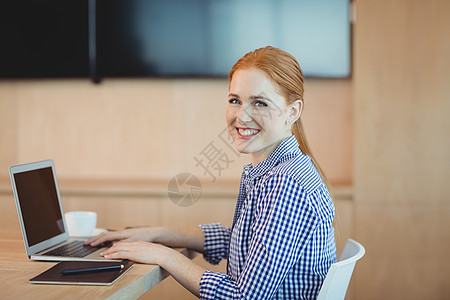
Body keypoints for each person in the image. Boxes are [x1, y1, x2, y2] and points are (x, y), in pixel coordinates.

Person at [85, 46, 337, 299]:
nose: (242, 116)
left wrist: (162, 255)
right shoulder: (282, 169)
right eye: (235, 100)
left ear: (293, 112)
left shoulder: (286, 183)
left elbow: (243, 296)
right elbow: (245, 243)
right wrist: (156, 234)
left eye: (260, 103)